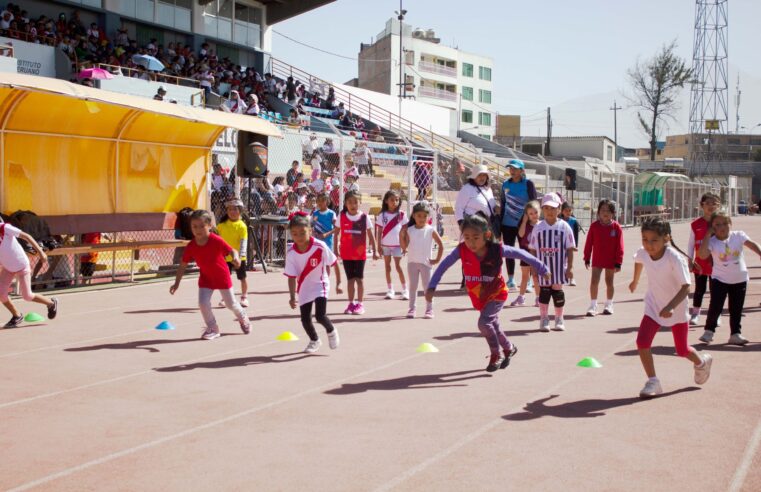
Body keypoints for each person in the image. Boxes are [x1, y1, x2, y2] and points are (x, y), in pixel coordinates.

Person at [426, 215, 548, 372]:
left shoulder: (497, 250)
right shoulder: (462, 250)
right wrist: (432, 286)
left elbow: (523, 254)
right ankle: (509, 348)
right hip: (478, 295)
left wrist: (542, 268)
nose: (471, 242)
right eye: (467, 237)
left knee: (484, 323)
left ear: (487, 235)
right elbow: (444, 265)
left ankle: (495, 354)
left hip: (496, 293)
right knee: (493, 324)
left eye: (476, 238)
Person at [629, 217, 713, 399]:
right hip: (654, 305)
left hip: (676, 308)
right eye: (645, 239)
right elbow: (638, 259)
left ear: (666, 238)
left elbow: (686, 287)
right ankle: (653, 381)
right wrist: (635, 280)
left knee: (682, 350)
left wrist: (671, 306)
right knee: (642, 342)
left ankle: (701, 362)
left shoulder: (674, 258)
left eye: (654, 240)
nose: (649, 245)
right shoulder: (644, 252)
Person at [170, 210, 250, 340]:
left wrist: (236, 257)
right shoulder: (191, 246)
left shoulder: (216, 240)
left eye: (201, 226)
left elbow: (232, 250)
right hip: (206, 278)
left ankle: (243, 317)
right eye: (194, 226)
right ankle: (212, 328)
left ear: (209, 225)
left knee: (231, 304)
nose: (197, 229)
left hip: (222, 277)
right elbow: (183, 265)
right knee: (203, 303)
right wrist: (176, 283)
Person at [697, 212, 761, 345]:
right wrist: (707, 235)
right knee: (715, 306)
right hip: (720, 279)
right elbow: (702, 255)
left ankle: (735, 334)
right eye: (717, 224)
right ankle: (709, 331)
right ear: (712, 227)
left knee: (736, 308)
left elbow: (752, 244)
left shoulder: (738, 235)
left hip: (740, 278)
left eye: (725, 223)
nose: (722, 227)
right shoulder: (711, 242)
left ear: (730, 224)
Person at [285, 213, 340, 353]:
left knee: (320, 315)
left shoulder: (320, 246)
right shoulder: (291, 253)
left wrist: (338, 283)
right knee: (305, 319)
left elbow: (334, 262)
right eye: (295, 234)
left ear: (310, 231)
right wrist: (292, 297)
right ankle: (314, 340)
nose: (299, 237)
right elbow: (291, 276)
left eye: (302, 233)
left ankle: (331, 331)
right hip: (304, 287)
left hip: (320, 283)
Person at [529, 193, 575, 332]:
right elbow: (533, 250)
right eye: (547, 208)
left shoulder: (564, 227)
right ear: (543, 209)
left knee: (558, 293)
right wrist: (534, 267)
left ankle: (559, 318)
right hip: (544, 269)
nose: (550, 211)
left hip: (559, 268)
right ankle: (544, 318)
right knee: (544, 292)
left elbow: (570, 248)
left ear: (559, 209)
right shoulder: (538, 227)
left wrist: (570, 268)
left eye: (553, 208)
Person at [0, 220, 58, 328]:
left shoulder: (5, 228)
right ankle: (16, 316)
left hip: (21, 265)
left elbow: (26, 236)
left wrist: (40, 252)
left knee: (27, 296)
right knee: (1, 294)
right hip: (8, 268)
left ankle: (51, 303)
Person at [336, 190, 378, 315]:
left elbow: (371, 235)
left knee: (359, 279)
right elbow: (336, 233)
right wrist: (335, 249)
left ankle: (360, 304)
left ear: (360, 203)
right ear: (345, 204)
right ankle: (350, 303)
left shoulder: (364, 217)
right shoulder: (342, 216)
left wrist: (375, 251)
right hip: (346, 254)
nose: (353, 205)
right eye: (350, 202)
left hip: (360, 255)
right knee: (350, 280)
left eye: (355, 202)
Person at [400, 202, 443, 318]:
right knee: (413, 287)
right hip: (412, 262)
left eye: (424, 216)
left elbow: (440, 244)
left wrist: (437, 259)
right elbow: (404, 247)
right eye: (419, 216)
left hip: (426, 263)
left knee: (427, 287)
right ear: (413, 216)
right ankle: (411, 309)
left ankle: (429, 309)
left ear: (428, 217)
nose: (422, 218)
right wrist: (401, 235)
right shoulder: (410, 230)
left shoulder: (430, 230)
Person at [500, 159, 537, 289]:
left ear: (522, 170)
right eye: (510, 168)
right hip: (507, 224)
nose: (512, 171)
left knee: (526, 251)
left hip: (524, 224)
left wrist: (529, 220)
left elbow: (533, 204)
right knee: (509, 251)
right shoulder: (505, 184)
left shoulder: (528, 184)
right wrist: (500, 224)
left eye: (515, 168)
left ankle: (528, 281)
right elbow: (503, 204)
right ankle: (510, 280)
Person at [584, 199, 624, 316]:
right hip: (597, 259)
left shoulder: (616, 227)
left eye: (608, 210)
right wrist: (587, 257)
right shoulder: (594, 226)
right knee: (594, 281)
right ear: (598, 212)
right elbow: (588, 243)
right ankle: (593, 305)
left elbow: (620, 246)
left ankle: (609, 304)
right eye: (602, 210)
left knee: (609, 281)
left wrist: (618, 262)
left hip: (610, 260)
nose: (605, 213)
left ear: (613, 213)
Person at [686, 192, 721, 326]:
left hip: (717, 263)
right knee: (699, 289)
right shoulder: (696, 224)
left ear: (718, 206)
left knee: (715, 290)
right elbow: (690, 243)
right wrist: (690, 260)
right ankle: (695, 313)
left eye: (714, 204)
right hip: (700, 263)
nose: (711, 206)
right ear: (702, 205)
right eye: (708, 203)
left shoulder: (720, 222)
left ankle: (715, 315)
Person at [216, 199, 250, 308]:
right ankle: (225, 298)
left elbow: (243, 242)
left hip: (239, 257)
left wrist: (239, 258)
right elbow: (217, 240)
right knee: (225, 278)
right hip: (225, 257)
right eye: (230, 209)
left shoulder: (242, 226)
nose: (232, 212)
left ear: (240, 211)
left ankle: (244, 297)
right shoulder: (221, 225)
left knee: (242, 277)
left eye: (235, 209)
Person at [376, 190, 407, 300]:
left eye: (397, 200)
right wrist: (378, 246)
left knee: (398, 267)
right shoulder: (382, 215)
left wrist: (405, 245)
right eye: (392, 200)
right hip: (385, 245)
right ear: (386, 201)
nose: (394, 202)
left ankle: (405, 289)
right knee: (387, 267)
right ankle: (390, 290)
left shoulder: (402, 214)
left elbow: (405, 230)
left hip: (398, 245)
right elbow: (379, 231)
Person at [511, 200, 541, 307]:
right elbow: (521, 234)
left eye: (535, 212)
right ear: (527, 215)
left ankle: (538, 298)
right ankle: (521, 297)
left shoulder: (542, 225)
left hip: (536, 255)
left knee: (535, 277)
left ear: (540, 212)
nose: (533, 215)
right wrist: (524, 221)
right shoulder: (526, 225)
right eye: (530, 214)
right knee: (524, 277)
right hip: (525, 253)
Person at [311, 193, 342, 294]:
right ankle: (317, 280)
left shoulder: (331, 213)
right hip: (317, 241)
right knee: (317, 261)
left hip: (328, 241)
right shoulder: (315, 214)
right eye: (318, 201)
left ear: (327, 202)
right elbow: (311, 226)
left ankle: (325, 280)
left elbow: (337, 228)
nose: (320, 203)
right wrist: (314, 232)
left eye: (322, 201)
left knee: (327, 262)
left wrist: (326, 234)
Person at [560, 202, 581, 286]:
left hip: (570, 245)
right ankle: (562, 277)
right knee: (560, 261)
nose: (568, 212)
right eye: (566, 210)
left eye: (569, 210)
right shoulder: (559, 220)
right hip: (560, 244)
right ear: (562, 211)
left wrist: (575, 245)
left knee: (570, 262)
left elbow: (576, 234)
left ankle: (572, 278)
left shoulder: (574, 221)